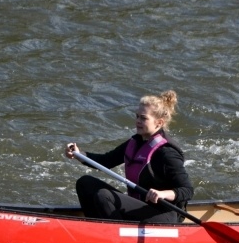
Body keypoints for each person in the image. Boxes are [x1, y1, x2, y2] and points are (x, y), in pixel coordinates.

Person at [65, 90, 194, 223]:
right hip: (141, 207)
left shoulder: (167, 153)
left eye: (143, 118)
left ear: (159, 123)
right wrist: (79, 154)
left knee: (104, 196)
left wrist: (163, 194)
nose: (138, 121)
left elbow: (187, 190)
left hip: (164, 215)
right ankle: (96, 227)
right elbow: (106, 161)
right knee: (85, 183)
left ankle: (114, 236)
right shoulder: (136, 142)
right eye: (137, 116)